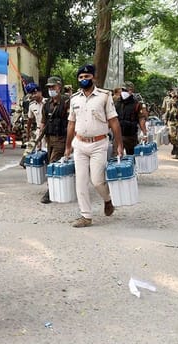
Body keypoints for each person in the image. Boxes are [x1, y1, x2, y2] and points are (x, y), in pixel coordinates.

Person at [64, 64, 123, 228]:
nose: (84, 79)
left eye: (87, 77)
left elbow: (114, 121)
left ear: (94, 78)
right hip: (80, 144)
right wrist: (68, 146)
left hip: (99, 144)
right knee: (81, 181)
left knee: (97, 181)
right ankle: (86, 216)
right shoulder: (74, 98)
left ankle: (107, 200)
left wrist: (119, 144)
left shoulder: (104, 96)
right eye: (81, 77)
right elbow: (71, 124)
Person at [40, 76, 70, 204]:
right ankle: (56, 186)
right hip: (49, 138)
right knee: (50, 162)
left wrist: (70, 143)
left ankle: (50, 192)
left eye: (53, 86)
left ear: (59, 87)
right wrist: (39, 137)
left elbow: (71, 123)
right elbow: (43, 121)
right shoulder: (47, 104)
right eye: (49, 87)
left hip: (61, 138)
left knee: (53, 163)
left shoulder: (67, 103)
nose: (51, 89)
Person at [114, 81, 148, 155]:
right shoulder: (116, 102)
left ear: (131, 91)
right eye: (123, 90)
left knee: (132, 158)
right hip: (117, 136)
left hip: (131, 136)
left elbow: (141, 120)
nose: (124, 92)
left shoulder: (137, 104)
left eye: (126, 90)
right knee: (116, 159)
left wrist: (144, 134)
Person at [19, 83, 47, 167]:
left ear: (40, 92)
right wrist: (28, 132)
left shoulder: (48, 102)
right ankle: (27, 162)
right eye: (31, 94)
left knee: (46, 150)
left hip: (48, 129)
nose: (34, 95)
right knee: (34, 148)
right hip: (38, 130)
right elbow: (30, 120)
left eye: (35, 93)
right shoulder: (32, 105)